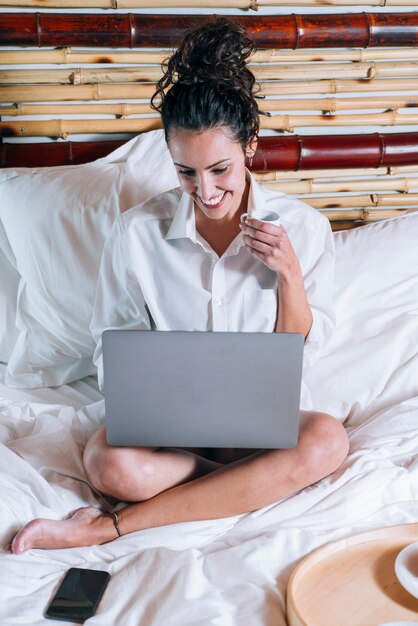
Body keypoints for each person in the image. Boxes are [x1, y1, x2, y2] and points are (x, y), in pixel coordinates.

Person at [10, 18, 349, 554]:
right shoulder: (137, 232)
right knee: (108, 463)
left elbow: (302, 352)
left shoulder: (303, 229)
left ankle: (114, 526)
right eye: (186, 173)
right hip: (174, 434)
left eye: (220, 169)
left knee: (328, 440)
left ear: (251, 148)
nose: (206, 190)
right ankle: (233, 486)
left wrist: (288, 274)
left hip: (264, 431)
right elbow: (112, 345)